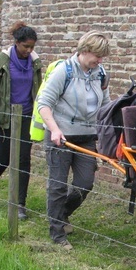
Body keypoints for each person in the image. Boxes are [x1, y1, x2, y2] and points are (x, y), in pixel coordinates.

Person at [37, 30, 110, 250]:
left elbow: (105, 105)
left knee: (85, 184)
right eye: (97, 55)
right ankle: (57, 233)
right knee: (58, 185)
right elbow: (44, 104)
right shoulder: (64, 71)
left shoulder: (100, 73)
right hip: (61, 136)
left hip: (87, 137)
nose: (100, 60)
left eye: (102, 57)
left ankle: (62, 214)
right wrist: (55, 130)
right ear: (85, 50)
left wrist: (107, 134)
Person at [0, 22, 43, 220]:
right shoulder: (2, 61)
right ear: (16, 43)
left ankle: (20, 204)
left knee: (24, 160)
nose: (29, 50)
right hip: (4, 118)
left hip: (26, 116)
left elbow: (39, 90)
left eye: (32, 47)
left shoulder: (35, 63)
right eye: (26, 46)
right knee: (5, 159)